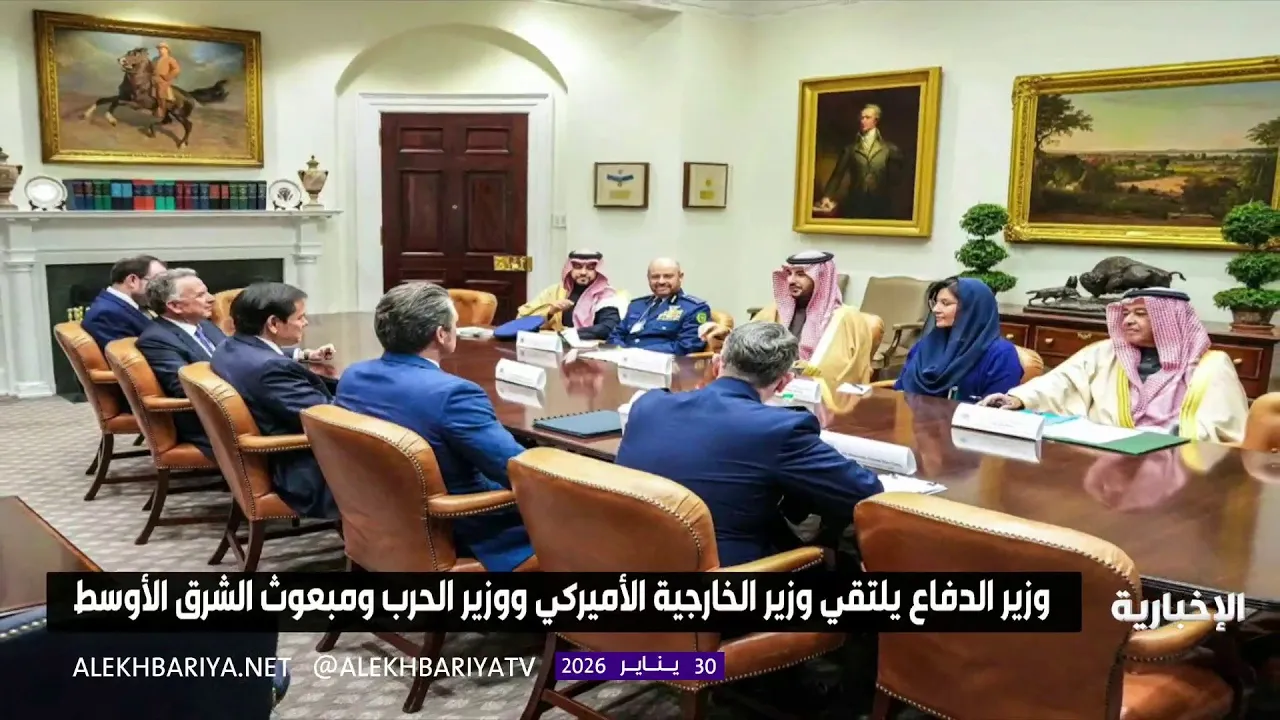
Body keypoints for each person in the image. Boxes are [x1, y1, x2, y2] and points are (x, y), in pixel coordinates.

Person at [616, 321, 883, 567]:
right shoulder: (781, 430)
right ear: (784, 382)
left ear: (717, 364)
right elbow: (865, 492)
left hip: (628, 559)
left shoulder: (648, 405)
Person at [335, 282, 534, 572]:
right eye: (455, 324)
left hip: (380, 517)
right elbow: (517, 470)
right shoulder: (454, 395)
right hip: (456, 528)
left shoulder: (353, 376)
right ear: (441, 334)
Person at [979, 288, 1248, 443]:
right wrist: (1019, 398)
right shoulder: (1106, 353)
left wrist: (1168, 439)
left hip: (1176, 464)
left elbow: (1224, 429)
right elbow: (1061, 381)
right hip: (1106, 458)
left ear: (1170, 320)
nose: (1128, 321)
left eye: (1140, 314)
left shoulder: (1212, 365)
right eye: (1126, 313)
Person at [210, 282, 338, 518]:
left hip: (279, 453)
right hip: (305, 471)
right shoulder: (270, 369)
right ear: (273, 323)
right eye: (300, 317)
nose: (306, 323)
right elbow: (328, 419)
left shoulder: (230, 347)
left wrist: (304, 357)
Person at [749, 250, 874, 386]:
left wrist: (804, 371)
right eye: (789, 273)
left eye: (800, 274)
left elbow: (848, 371)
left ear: (820, 278)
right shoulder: (774, 311)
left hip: (820, 392)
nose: (791, 280)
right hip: (773, 387)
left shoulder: (847, 318)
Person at [135, 268, 225, 456]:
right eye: (201, 295)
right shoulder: (156, 340)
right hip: (209, 422)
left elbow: (237, 354)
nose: (211, 299)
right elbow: (186, 386)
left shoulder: (204, 325)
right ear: (175, 306)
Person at [894, 276, 1023, 402]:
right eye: (935, 303)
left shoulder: (1001, 355)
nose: (935, 310)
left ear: (971, 308)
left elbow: (996, 408)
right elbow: (900, 389)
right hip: (910, 415)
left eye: (945, 303)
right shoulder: (925, 346)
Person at [607, 257, 709, 355]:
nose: (661, 281)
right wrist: (621, 353)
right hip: (623, 361)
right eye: (655, 277)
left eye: (668, 276)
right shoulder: (636, 305)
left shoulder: (695, 308)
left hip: (663, 364)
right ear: (648, 278)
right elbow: (615, 336)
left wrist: (636, 353)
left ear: (680, 277)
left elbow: (687, 346)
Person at [515, 250, 626, 340]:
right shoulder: (555, 291)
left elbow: (608, 327)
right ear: (570, 269)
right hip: (554, 346)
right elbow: (521, 320)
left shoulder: (605, 295)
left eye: (590, 268)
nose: (583, 272)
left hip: (589, 350)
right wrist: (550, 312)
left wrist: (571, 335)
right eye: (578, 267)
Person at [81, 255, 167, 348]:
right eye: (158, 283)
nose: (162, 289)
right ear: (132, 280)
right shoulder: (107, 314)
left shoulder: (125, 306)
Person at [152, 42, 180, 120]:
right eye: (159, 49)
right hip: (153, 79)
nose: (160, 50)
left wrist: (167, 77)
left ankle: (162, 111)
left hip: (163, 81)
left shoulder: (170, 59)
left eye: (162, 49)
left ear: (167, 50)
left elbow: (176, 69)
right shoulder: (155, 59)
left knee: (161, 93)